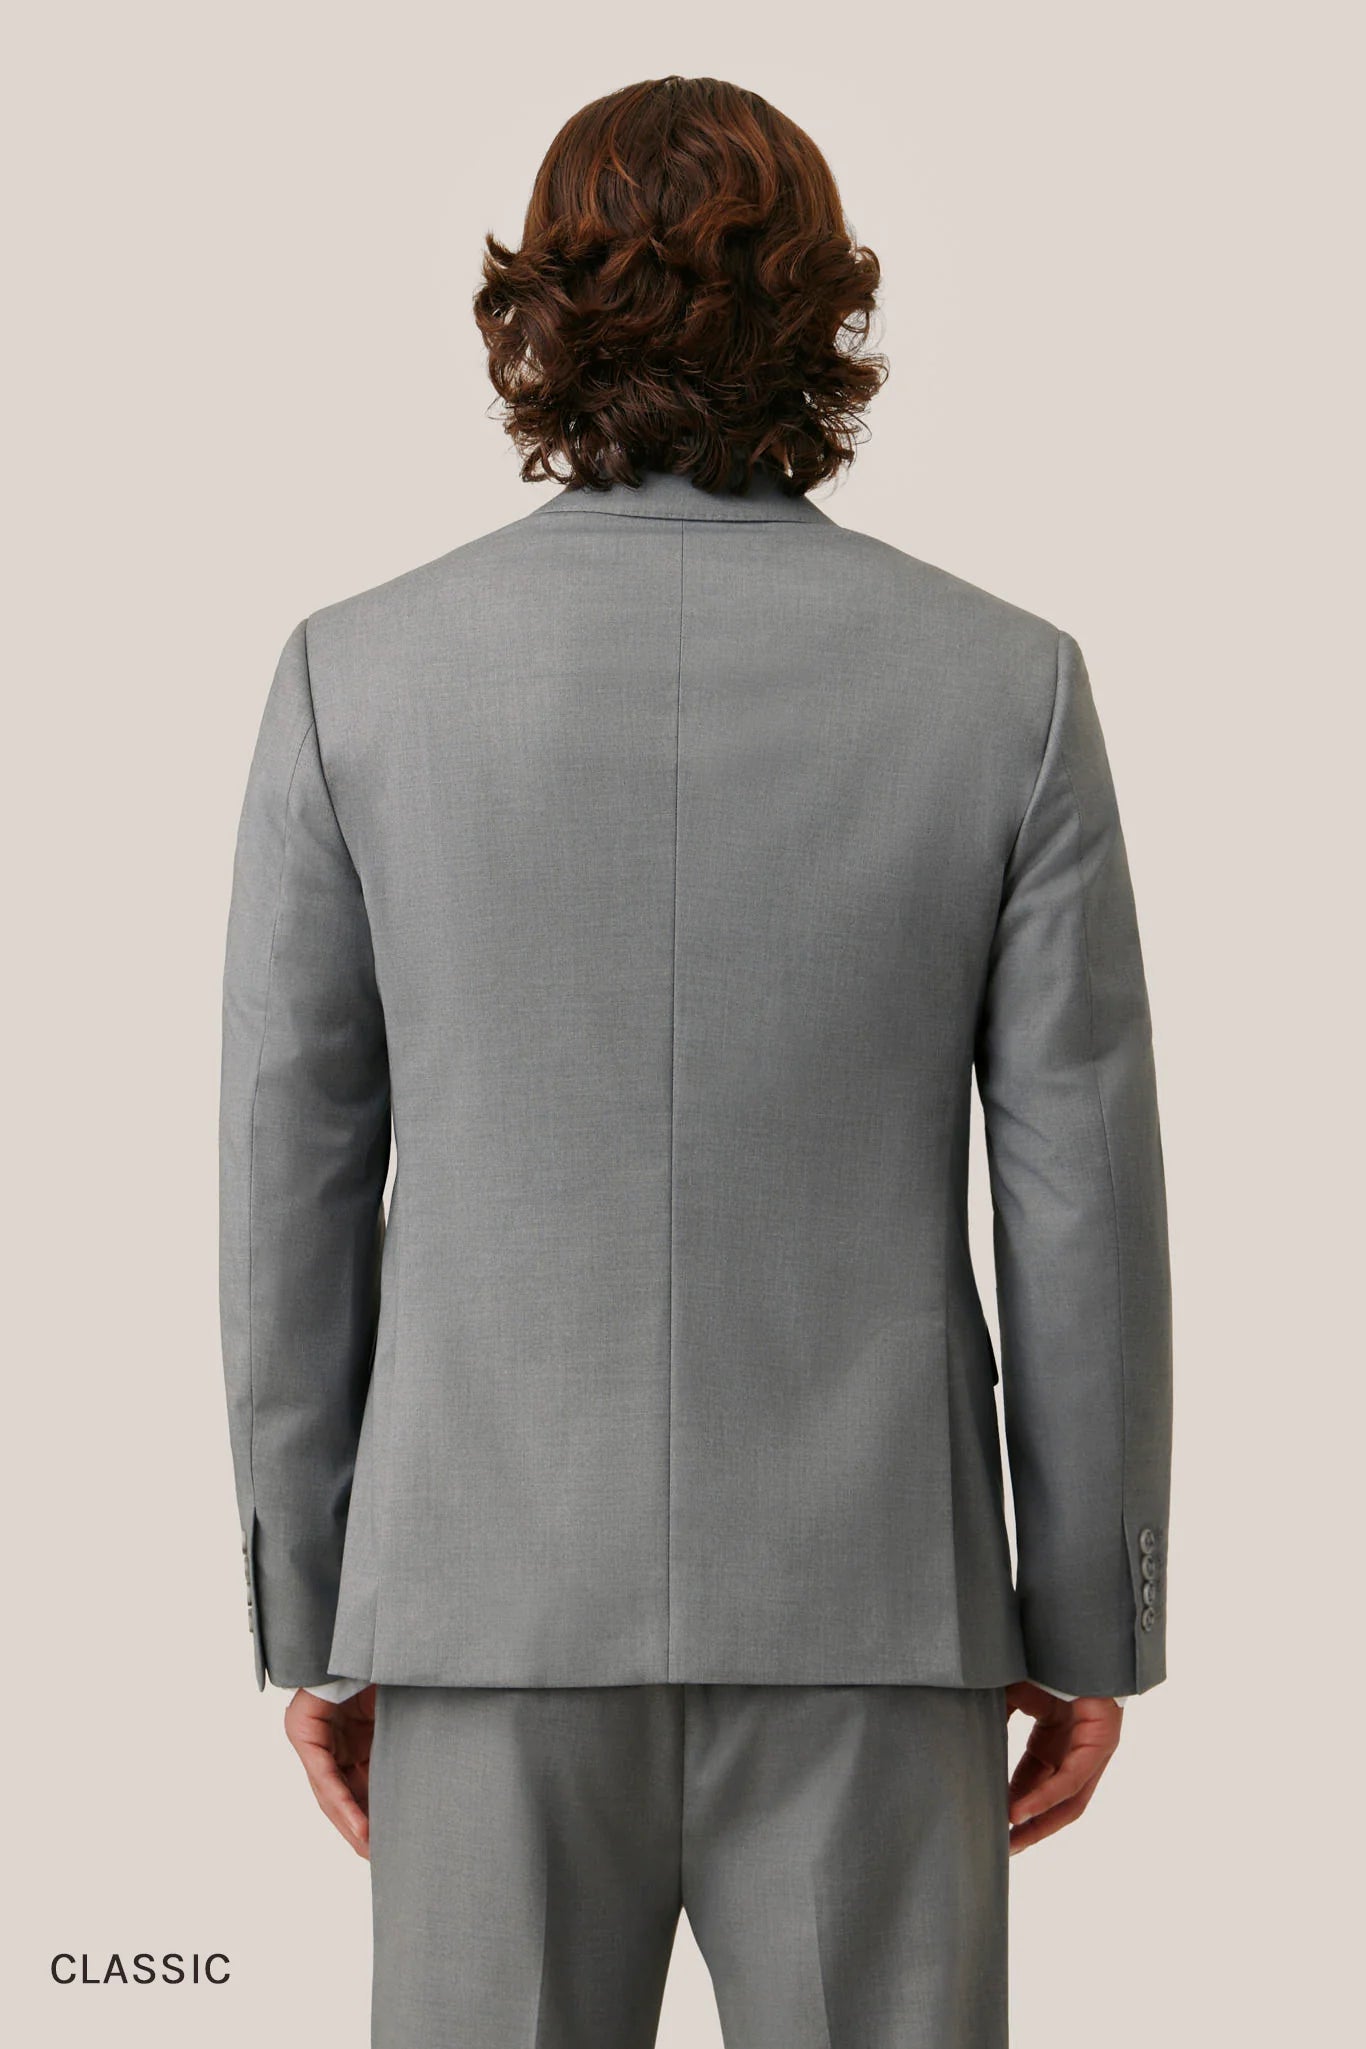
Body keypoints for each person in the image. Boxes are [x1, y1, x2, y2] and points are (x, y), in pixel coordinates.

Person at [218, 73, 1172, 2049]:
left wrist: (319, 1612)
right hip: (874, 1612)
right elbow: (1077, 1195)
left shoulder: (353, 678)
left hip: (480, 1596)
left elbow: (287, 1174)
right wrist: (1082, 1617)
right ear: (824, 310)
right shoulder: (1004, 685)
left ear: (537, 314)